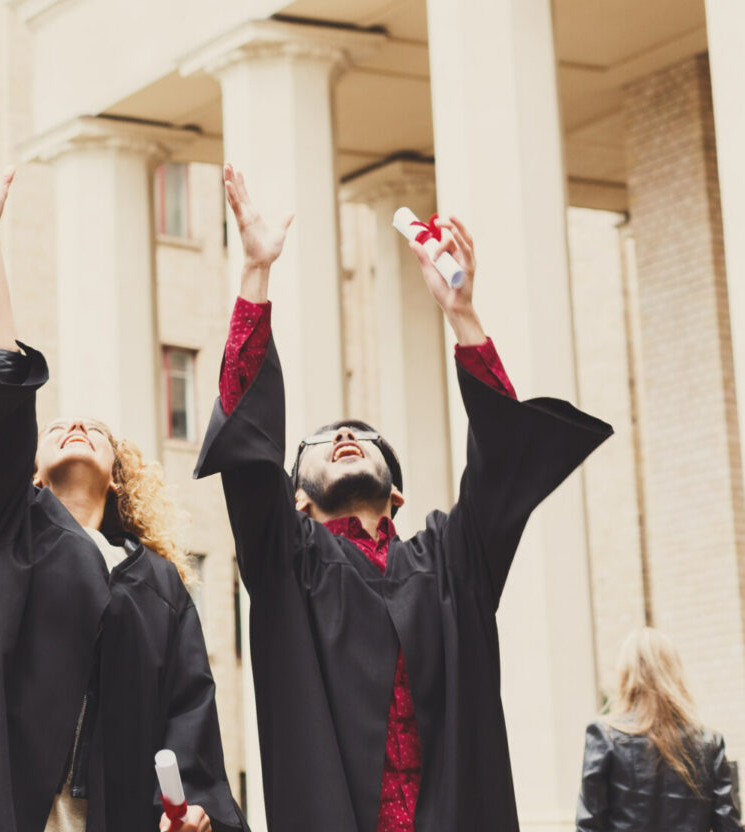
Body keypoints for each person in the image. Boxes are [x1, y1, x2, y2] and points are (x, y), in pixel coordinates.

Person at [196, 165, 613, 832]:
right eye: (326, 440)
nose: (344, 436)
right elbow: (246, 452)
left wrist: (461, 311)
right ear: (297, 500)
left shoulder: (452, 564)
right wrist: (255, 274)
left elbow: (502, 464)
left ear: (396, 491)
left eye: (362, 435)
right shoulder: (286, 564)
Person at [0, 146, 243, 832]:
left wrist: (195, 810)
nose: (72, 426)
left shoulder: (157, 584)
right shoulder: (7, 529)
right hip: (4, 807)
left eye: (93, 428)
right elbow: (3, 393)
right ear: (29, 469)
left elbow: (190, 709)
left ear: (120, 474)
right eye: (57, 427)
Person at [577, 627, 741, 832]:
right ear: (675, 673)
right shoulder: (710, 743)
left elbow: (588, 827)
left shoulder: (604, 736)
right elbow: (729, 827)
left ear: (625, 675)